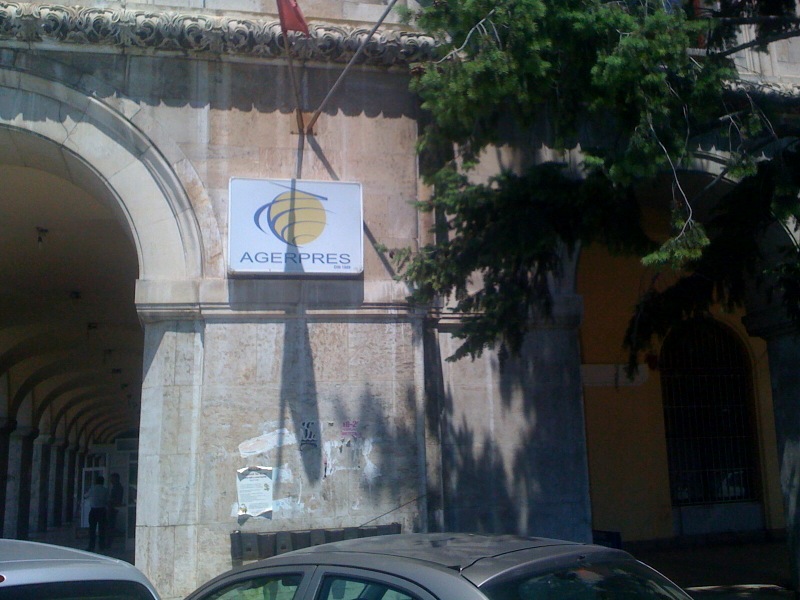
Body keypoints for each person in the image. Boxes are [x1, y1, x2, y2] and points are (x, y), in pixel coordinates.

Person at [84, 474, 109, 552]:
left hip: (93, 510)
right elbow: (107, 500)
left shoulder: (92, 489)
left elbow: (85, 496)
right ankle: (102, 545)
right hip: (102, 510)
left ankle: (91, 546)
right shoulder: (105, 490)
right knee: (102, 529)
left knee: (92, 529)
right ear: (103, 482)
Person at [107, 473, 124, 543]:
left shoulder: (118, 487)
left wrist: (110, 500)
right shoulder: (115, 487)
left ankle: (109, 541)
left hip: (113, 508)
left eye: (112, 478)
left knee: (111, 525)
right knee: (110, 524)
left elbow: (118, 499)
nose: (111, 480)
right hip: (112, 507)